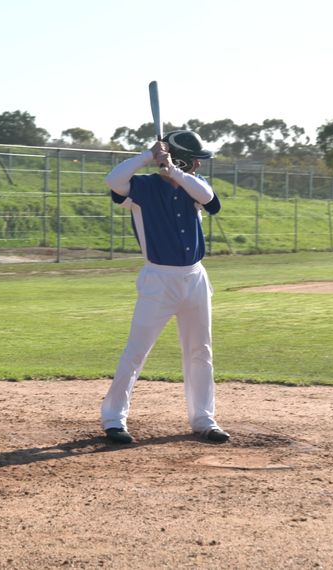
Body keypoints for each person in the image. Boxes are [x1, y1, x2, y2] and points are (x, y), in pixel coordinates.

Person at [100, 130, 230, 445]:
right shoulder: (143, 187)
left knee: (201, 351)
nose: (199, 164)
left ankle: (203, 419)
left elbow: (210, 199)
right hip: (158, 280)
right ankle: (114, 419)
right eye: (195, 160)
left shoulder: (191, 186)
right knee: (137, 350)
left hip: (195, 278)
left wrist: (175, 171)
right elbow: (113, 181)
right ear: (184, 157)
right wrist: (148, 156)